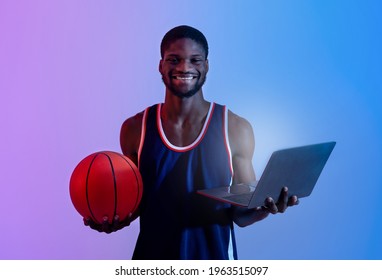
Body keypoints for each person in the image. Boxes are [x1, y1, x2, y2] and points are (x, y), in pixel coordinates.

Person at [85, 25, 299, 259]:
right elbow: (134, 202)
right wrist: (115, 217)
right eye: (174, 59)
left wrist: (265, 209)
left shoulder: (236, 129)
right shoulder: (136, 129)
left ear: (206, 66)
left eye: (195, 60)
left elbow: (241, 215)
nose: (184, 67)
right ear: (161, 66)